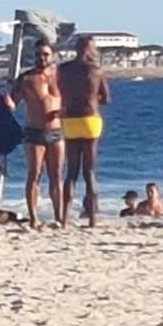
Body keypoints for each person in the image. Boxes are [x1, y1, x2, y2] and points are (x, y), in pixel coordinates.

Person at [9, 39, 64, 229]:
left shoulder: (59, 77)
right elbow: (13, 104)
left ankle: (60, 216)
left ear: (52, 56)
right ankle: (34, 217)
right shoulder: (27, 79)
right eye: (38, 54)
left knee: (56, 176)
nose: (41, 58)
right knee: (34, 174)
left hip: (56, 131)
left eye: (45, 54)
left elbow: (70, 101)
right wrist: (4, 95)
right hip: (34, 131)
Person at [58, 35, 110, 228]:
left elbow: (60, 92)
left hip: (70, 119)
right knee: (89, 171)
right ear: (88, 49)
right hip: (90, 118)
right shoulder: (96, 70)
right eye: (94, 48)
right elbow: (106, 98)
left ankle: (63, 218)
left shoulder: (63, 70)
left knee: (71, 171)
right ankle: (92, 219)